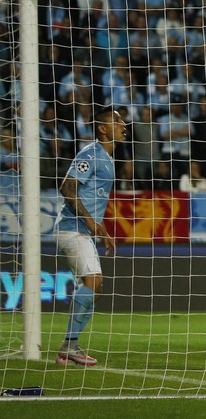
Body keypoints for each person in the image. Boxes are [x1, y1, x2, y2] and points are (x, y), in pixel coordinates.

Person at [55, 108, 126, 366]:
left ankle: (70, 347)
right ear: (102, 129)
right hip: (72, 228)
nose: (123, 124)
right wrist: (87, 220)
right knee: (93, 281)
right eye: (116, 120)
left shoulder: (107, 158)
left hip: (83, 230)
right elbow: (67, 186)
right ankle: (68, 347)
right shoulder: (90, 153)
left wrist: (102, 229)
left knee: (96, 287)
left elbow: (92, 199)